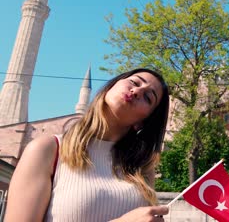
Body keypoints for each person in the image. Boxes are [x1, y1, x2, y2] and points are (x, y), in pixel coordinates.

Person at [5, 68, 170, 221]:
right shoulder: (48, 149)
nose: (137, 91)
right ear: (111, 86)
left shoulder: (142, 170)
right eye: (134, 82)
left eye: (148, 97)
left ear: (142, 123)